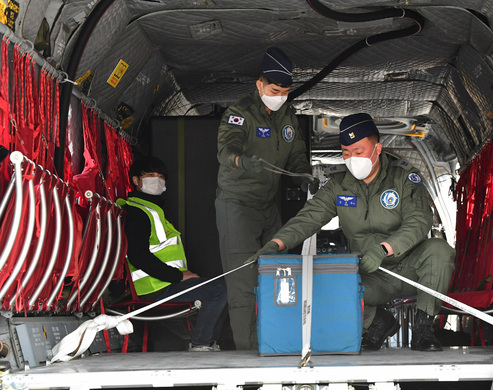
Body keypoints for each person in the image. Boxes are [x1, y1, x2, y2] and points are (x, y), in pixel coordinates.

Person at [247, 113, 456, 351]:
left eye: (358, 152)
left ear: (377, 148)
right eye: (346, 153)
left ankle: (423, 330)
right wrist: (276, 244)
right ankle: (379, 322)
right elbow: (308, 218)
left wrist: (384, 249)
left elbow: (419, 221)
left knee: (439, 251)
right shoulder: (338, 183)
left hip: (410, 268)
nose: (352, 159)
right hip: (370, 271)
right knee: (325, 285)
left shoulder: (404, 178)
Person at [215, 47, 317, 350]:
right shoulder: (240, 113)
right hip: (237, 205)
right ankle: (247, 350)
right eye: (274, 90)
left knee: (282, 272)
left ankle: (280, 343)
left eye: (285, 91)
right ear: (260, 85)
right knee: (242, 281)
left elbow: (297, 154)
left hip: (268, 205)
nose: (280, 96)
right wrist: (241, 161)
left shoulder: (287, 116)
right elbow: (226, 150)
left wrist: (303, 175)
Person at [117, 156, 228, 352]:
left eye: (161, 176)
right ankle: (201, 344)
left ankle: (208, 343)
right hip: (154, 289)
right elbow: (138, 256)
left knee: (220, 287)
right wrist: (178, 276)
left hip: (167, 284)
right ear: (135, 180)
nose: (157, 180)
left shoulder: (154, 210)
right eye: (150, 175)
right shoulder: (137, 213)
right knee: (218, 290)